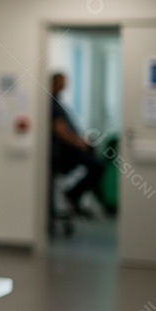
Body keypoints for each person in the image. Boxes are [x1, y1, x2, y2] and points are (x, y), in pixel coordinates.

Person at [49, 72, 109, 218]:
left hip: (71, 147)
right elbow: (60, 131)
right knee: (97, 166)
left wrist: (81, 140)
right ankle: (74, 194)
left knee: (94, 154)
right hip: (64, 152)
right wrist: (78, 143)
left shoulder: (57, 101)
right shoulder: (51, 103)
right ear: (55, 83)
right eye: (62, 81)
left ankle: (82, 197)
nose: (65, 85)